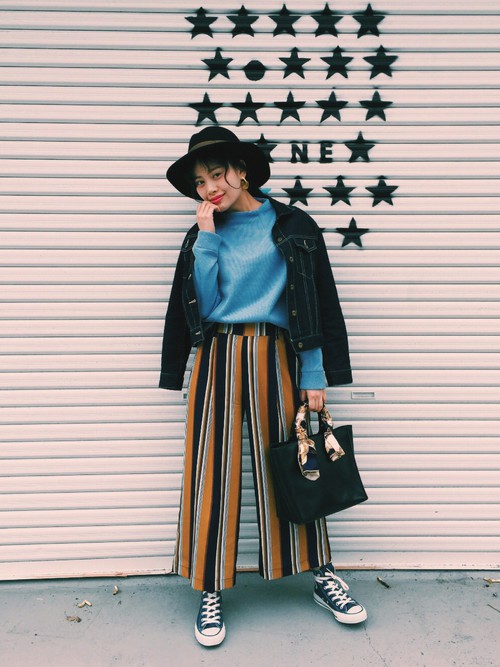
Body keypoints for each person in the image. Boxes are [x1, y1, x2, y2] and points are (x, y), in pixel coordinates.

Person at [160, 126, 367, 647]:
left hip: (277, 356)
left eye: (218, 174)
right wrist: (207, 237)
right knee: (212, 472)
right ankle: (209, 586)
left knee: (297, 465)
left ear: (243, 170)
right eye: (200, 181)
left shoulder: (292, 225)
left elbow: (315, 302)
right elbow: (203, 307)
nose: (211, 187)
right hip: (217, 358)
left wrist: (314, 374)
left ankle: (320, 573)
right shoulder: (203, 233)